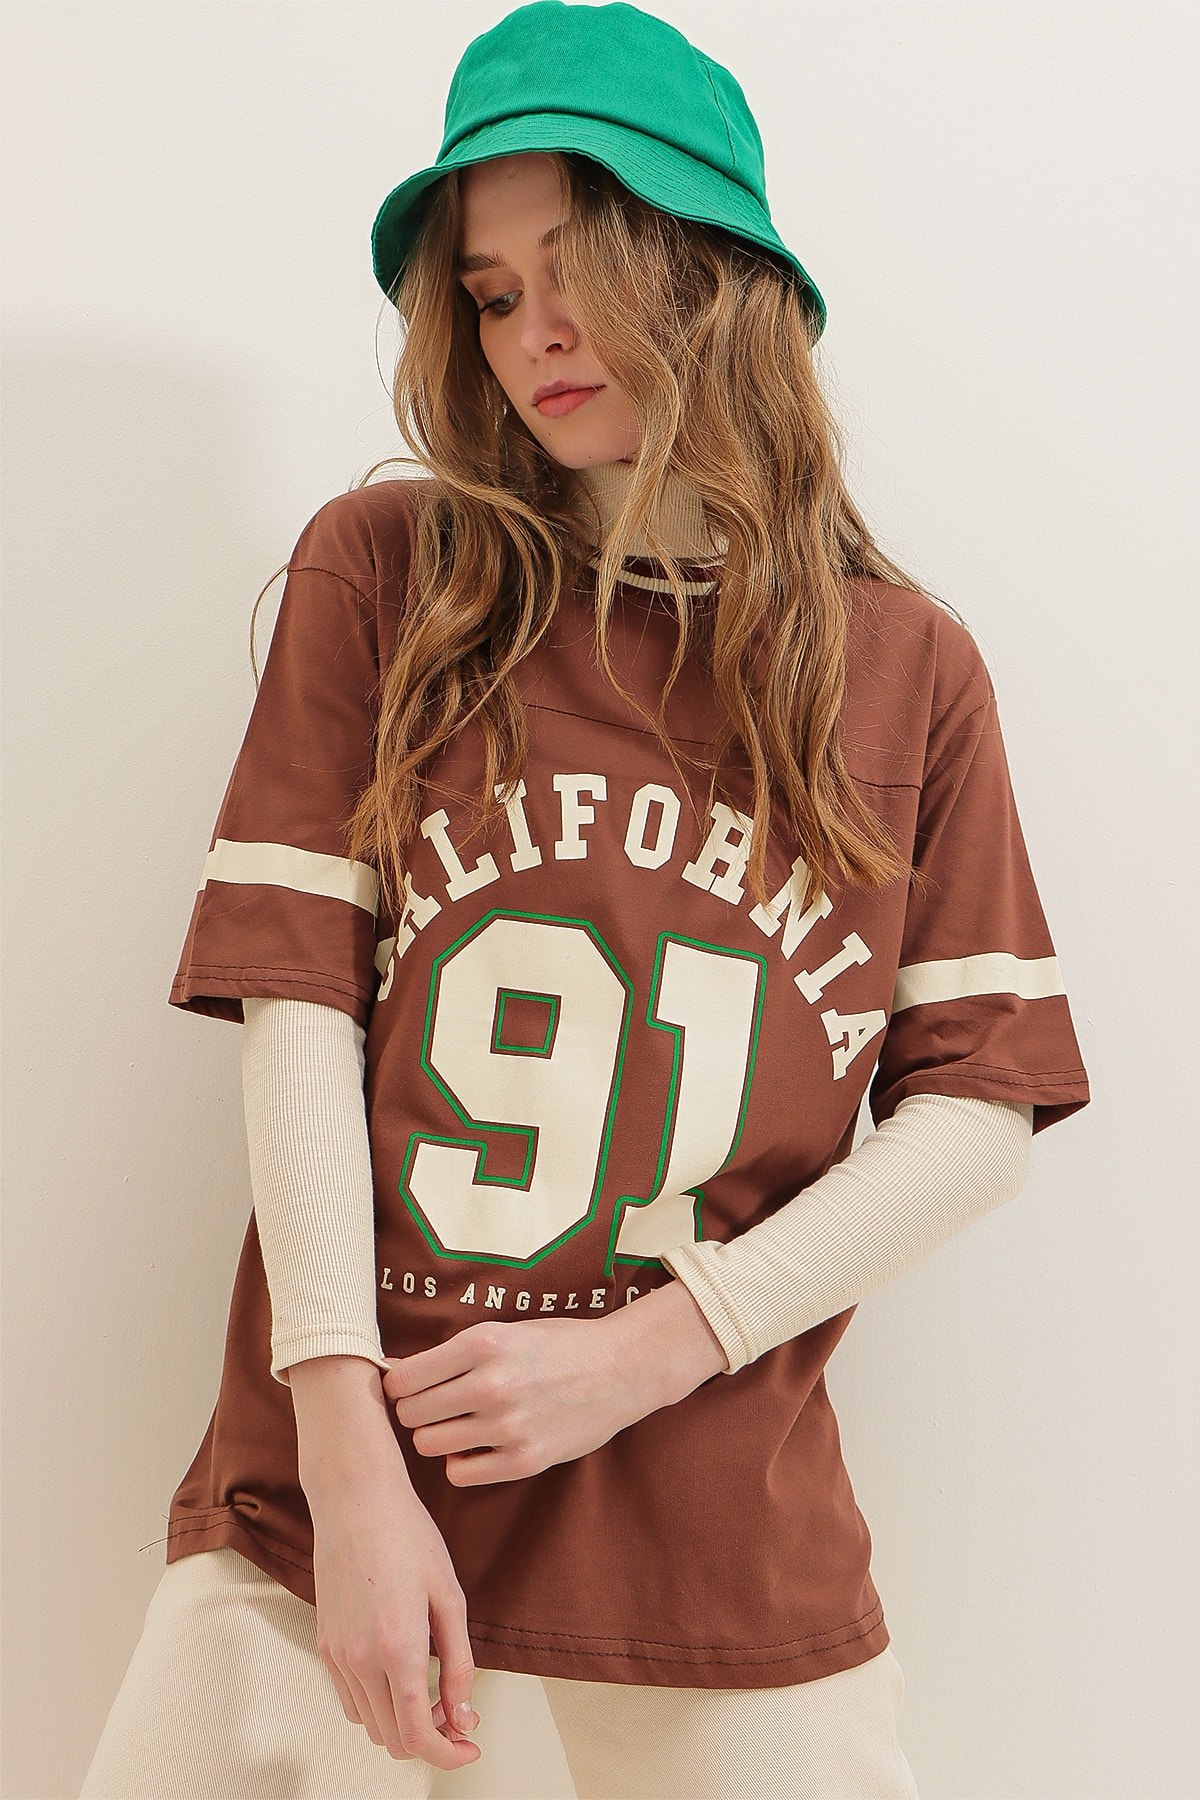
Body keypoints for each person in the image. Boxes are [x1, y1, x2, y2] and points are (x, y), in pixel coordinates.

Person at [79, 4, 1091, 1796]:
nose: (530, 334)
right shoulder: (390, 574)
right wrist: (345, 1461)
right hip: (359, 1491)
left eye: (577, 272)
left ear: (706, 271)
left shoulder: (904, 667)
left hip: (712, 1517)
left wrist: (655, 1348)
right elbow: (297, 1013)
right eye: (488, 294)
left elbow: (980, 1111)